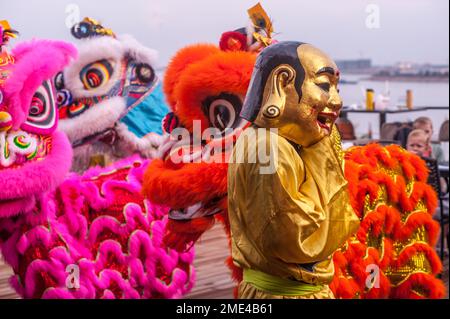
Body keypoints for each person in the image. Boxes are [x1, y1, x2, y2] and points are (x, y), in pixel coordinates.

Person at [228, 41, 360, 299]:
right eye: (324, 85)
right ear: (282, 82)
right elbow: (296, 240)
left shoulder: (278, 140)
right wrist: (323, 151)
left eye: (336, 88)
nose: (337, 100)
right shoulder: (268, 146)